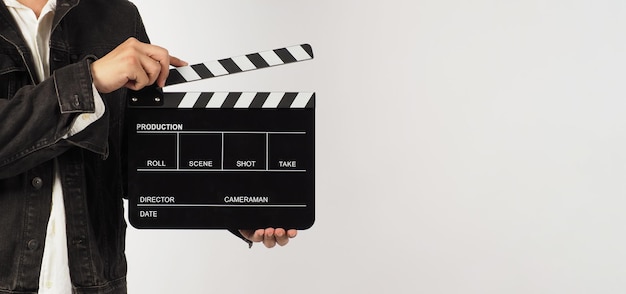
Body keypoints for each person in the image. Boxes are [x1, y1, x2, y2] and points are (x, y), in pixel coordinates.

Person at [0, 0, 297, 293]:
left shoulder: (117, 15)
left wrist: (234, 206)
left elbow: (140, 159)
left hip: (95, 284)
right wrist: (89, 80)